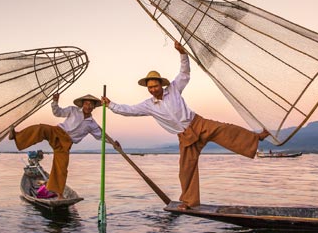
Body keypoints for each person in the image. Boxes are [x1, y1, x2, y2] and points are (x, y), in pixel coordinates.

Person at [101, 41, 271, 210]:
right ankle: (189, 202)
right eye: (150, 87)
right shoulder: (148, 105)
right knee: (186, 169)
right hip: (184, 136)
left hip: (197, 123)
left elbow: (185, 73)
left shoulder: (174, 89)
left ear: (161, 84)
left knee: (226, 130)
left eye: (155, 86)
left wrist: (182, 54)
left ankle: (256, 137)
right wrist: (110, 105)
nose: (152, 89)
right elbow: (128, 110)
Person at [9, 93, 103, 199]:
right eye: (86, 103)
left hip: (66, 143)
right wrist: (55, 102)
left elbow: (101, 137)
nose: (88, 106)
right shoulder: (73, 110)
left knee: (61, 168)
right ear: (83, 104)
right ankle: (16, 136)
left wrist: (113, 143)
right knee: (41, 128)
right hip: (57, 131)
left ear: (94, 107)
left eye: (91, 104)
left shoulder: (92, 124)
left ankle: (59, 195)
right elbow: (58, 112)